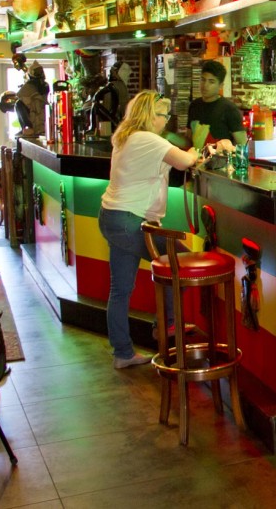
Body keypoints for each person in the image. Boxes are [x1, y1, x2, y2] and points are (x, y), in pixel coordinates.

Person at [98, 90, 201, 369]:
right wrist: (197, 149)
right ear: (148, 115)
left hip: (113, 217)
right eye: (162, 115)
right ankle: (167, 324)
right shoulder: (146, 139)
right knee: (181, 261)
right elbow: (186, 161)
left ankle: (123, 353)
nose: (165, 120)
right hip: (130, 221)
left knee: (120, 290)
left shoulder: (126, 136)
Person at [187, 59, 248, 150]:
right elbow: (188, 141)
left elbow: (243, 145)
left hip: (221, 158)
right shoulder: (194, 105)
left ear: (220, 86)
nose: (205, 85)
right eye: (203, 80)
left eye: (211, 82)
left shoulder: (229, 109)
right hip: (195, 158)